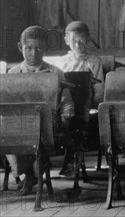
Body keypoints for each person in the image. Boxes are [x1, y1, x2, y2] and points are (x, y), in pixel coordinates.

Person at [7, 26, 74, 196]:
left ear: (45, 48)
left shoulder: (55, 73)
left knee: (32, 133)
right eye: (28, 48)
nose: (33, 53)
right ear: (20, 47)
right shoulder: (13, 73)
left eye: (39, 48)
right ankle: (28, 176)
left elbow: (66, 102)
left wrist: (65, 119)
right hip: (19, 124)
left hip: (47, 125)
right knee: (13, 132)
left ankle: (32, 176)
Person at [56, 20, 104, 176]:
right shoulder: (62, 62)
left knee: (78, 115)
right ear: (66, 40)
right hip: (66, 104)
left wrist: (95, 105)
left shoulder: (93, 61)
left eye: (81, 40)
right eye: (73, 40)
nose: (77, 44)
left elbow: (99, 89)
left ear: (88, 39)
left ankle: (74, 160)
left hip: (86, 104)